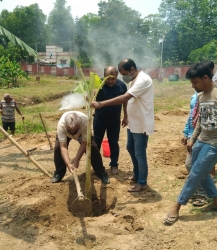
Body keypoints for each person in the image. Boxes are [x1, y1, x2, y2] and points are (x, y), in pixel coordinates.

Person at [164, 62, 217, 225]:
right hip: (202, 139)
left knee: (196, 172)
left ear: (205, 77)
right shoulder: (201, 96)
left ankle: (177, 205)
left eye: (195, 82)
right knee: (193, 168)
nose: (193, 86)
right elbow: (201, 119)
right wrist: (193, 139)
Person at [91, 59, 154, 192]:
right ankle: (137, 176)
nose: (122, 76)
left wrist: (102, 104)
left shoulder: (142, 80)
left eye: (123, 73)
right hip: (133, 123)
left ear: (132, 69)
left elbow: (125, 98)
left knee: (139, 153)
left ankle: (142, 182)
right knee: (130, 148)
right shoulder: (134, 80)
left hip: (140, 123)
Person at [50, 111, 109, 184]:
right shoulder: (61, 125)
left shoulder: (85, 122)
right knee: (58, 148)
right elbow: (63, 146)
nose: (72, 132)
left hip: (81, 134)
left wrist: (77, 159)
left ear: (79, 125)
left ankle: (100, 171)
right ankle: (59, 173)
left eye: (75, 130)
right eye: (70, 130)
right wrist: (68, 164)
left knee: (92, 148)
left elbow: (84, 143)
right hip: (65, 134)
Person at [93, 66, 128, 175]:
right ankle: (96, 165)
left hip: (114, 120)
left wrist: (126, 116)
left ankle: (114, 165)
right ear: (104, 76)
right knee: (96, 143)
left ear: (117, 75)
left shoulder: (122, 86)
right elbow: (91, 97)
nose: (110, 81)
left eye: (113, 78)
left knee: (113, 142)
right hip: (99, 119)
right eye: (108, 78)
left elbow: (125, 102)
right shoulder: (98, 84)